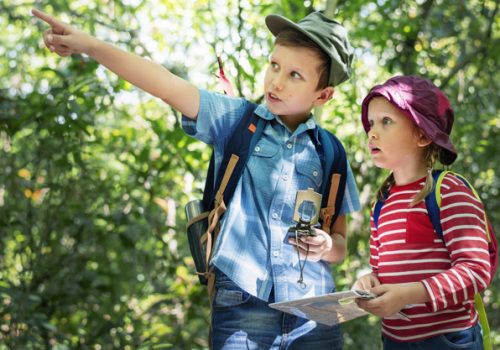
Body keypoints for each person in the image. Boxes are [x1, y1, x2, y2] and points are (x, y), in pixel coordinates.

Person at [33, 8, 360, 349]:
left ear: (322, 96)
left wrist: (326, 247)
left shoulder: (330, 151)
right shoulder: (237, 120)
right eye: (274, 65)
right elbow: (166, 84)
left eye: (295, 75)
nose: (276, 81)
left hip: (313, 314)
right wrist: (89, 45)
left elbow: (339, 244)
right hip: (243, 303)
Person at [353, 75, 491, 350]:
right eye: (370, 124)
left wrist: (410, 294)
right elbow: (380, 272)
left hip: (449, 341)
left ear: (422, 134)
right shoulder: (381, 203)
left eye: (386, 121)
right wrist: (368, 282)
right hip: (394, 341)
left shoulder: (448, 190)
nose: (372, 133)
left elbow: (476, 271)